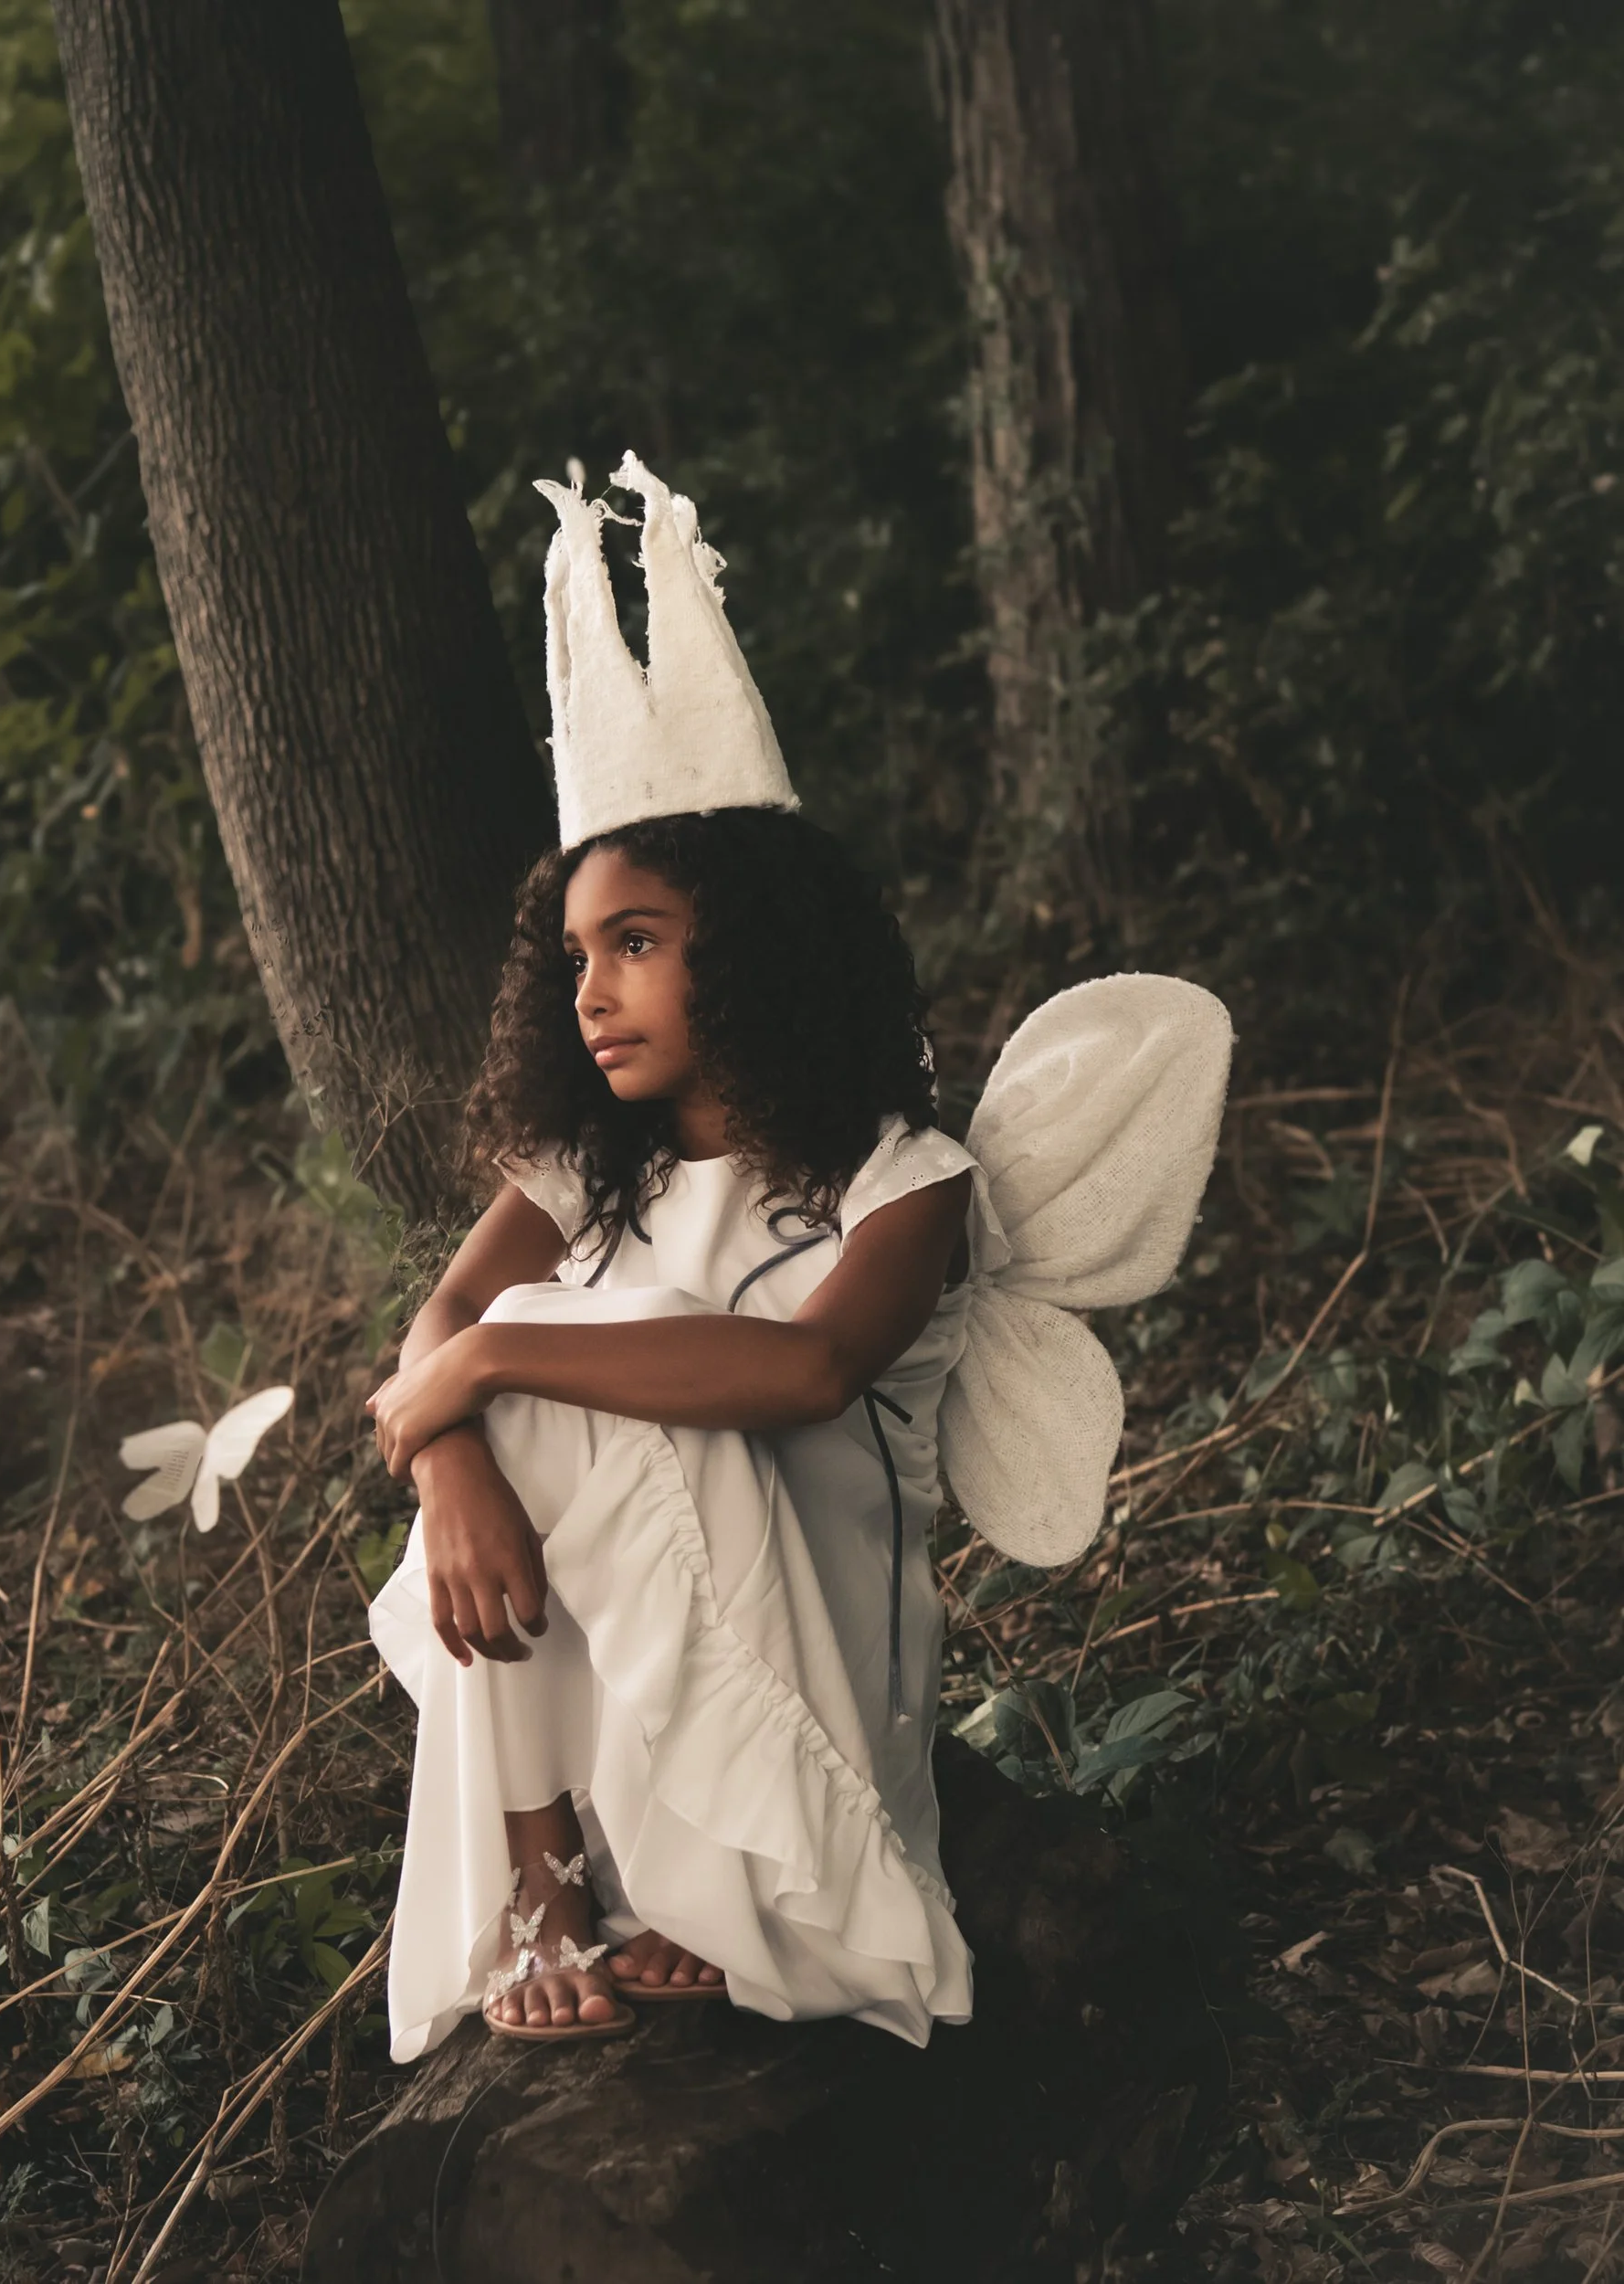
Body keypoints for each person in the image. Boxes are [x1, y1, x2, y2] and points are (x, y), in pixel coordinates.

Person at [364, 455, 1230, 2055]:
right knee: (544, 1371)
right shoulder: (587, 1169)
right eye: (575, 956)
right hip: (608, 1690)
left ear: (750, 952)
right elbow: (439, 1325)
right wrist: (453, 1458)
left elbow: (802, 1372)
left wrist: (479, 1370)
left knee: (570, 1365)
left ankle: (741, 1873)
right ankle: (552, 1876)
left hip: (813, 1677)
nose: (592, 992)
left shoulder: (907, 1178)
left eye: (637, 945)